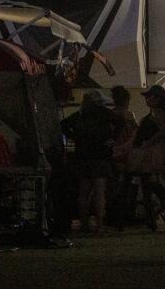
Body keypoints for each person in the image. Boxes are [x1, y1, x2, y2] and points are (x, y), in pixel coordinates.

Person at [61, 89, 123, 233]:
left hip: (82, 156)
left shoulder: (80, 114)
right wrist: (112, 138)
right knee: (99, 192)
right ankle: (99, 224)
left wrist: (75, 136)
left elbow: (63, 124)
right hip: (100, 155)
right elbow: (120, 123)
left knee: (83, 192)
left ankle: (84, 223)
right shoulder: (104, 112)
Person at [130, 85, 165, 229]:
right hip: (153, 151)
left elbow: (164, 132)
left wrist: (147, 142)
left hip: (152, 152)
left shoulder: (158, 112)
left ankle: (162, 204)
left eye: (149, 96)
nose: (147, 99)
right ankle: (152, 215)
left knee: (146, 180)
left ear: (157, 98)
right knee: (147, 182)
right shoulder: (160, 111)